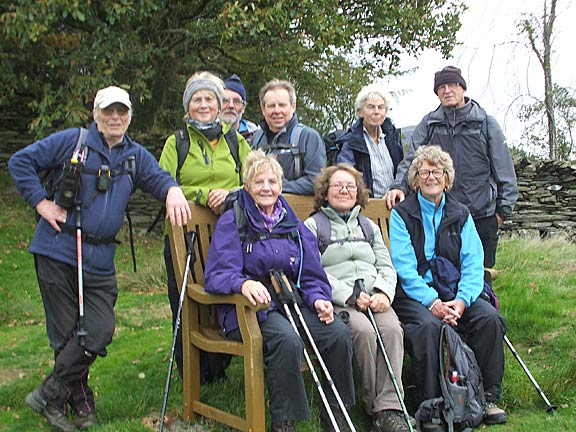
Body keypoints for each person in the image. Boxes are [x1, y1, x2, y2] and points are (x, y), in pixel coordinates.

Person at [8, 86, 191, 432]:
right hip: (58, 249)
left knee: (99, 331)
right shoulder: (72, 142)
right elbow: (20, 162)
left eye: (122, 112)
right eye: (109, 111)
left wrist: (173, 190)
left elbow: (159, 179)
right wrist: (40, 202)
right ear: (96, 114)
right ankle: (80, 404)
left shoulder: (134, 156)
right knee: (66, 338)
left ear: (129, 116)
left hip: (101, 259)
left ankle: (48, 394)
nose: (115, 118)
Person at [204, 150, 355, 432]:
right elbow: (217, 274)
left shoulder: (291, 222)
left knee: (337, 332)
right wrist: (243, 283)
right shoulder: (233, 219)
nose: (266, 188)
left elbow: (311, 271)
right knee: (288, 341)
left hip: (290, 302)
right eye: (258, 182)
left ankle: (337, 416)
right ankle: (284, 422)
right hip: (250, 310)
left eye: (272, 182)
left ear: (281, 186)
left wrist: (319, 298)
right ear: (247, 186)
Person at [389, 145, 507, 432]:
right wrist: (433, 302)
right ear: (415, 179)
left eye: (438, 171)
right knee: (428, 327)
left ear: (447, 178)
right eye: (425, 172)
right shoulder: (402, 215)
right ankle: (431, 404)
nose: (431, 177)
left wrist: (463, 300)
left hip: (456, 292)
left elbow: (472, 262)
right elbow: (404, 268)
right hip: (417, 294)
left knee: (488, 319)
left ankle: (487, 396)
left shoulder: (461, 213)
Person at [159, 71, 251, 382]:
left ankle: (219, 368)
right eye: (196, 99)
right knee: (186, 303)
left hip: (228, 236)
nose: (203, 104)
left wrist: (231, 195)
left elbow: (255, 182)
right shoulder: (177, 142)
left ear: (219, 103)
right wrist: (200, 196)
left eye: (209, 98)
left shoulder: (235, 141)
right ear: (187, 107)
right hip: (185, 237)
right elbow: (163, 183)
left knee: (222, 297)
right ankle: (193, 374)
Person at [304, 164, 409, 432]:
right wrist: (350, 296)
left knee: (392, 330)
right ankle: (374, 407)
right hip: (341, 301)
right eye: (337, 185)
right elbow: (313, 271)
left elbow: (386, 265)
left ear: (358, 193)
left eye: (350, 186)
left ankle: (390, 408)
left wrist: (384, 292)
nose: (344, 190)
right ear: (325, 193)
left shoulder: (369, 226)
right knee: (363, 332)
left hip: (375, 297)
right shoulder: (314, 225)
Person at [386, 66, 518, 268]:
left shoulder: (485, 123)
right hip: (443, 217)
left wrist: (500, 214)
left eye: (452, 85)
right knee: (443, 276)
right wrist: (398, 186)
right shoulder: (430, 124)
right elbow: (412, 160)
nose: (447, 90)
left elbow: (505, 171)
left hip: (482, 215)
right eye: (441, 87)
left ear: (462, 88)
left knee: (482, 280)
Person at [251, 79, 326, 195]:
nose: (277, 111)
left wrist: (275, 186)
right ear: (263, 109)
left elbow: (316, 181)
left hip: (298, 210)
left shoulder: (308, 137)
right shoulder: (256, 139)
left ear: (293, 106)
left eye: (282, 105)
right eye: (271, 106)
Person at [337, 84, 404, 198]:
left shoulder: (392, 137)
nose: (377, 111)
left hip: (395, 205)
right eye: (371, 107)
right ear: (360, 112)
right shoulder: (351, 141)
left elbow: (402, 170)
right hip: (367, 206)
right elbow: (346, 175)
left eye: (381, 107)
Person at [222, 73, 259, 141]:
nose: (231, 105)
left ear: (243, 108)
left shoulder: (256, 138)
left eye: (236, 101)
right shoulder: (207, 135)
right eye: (225, 100)